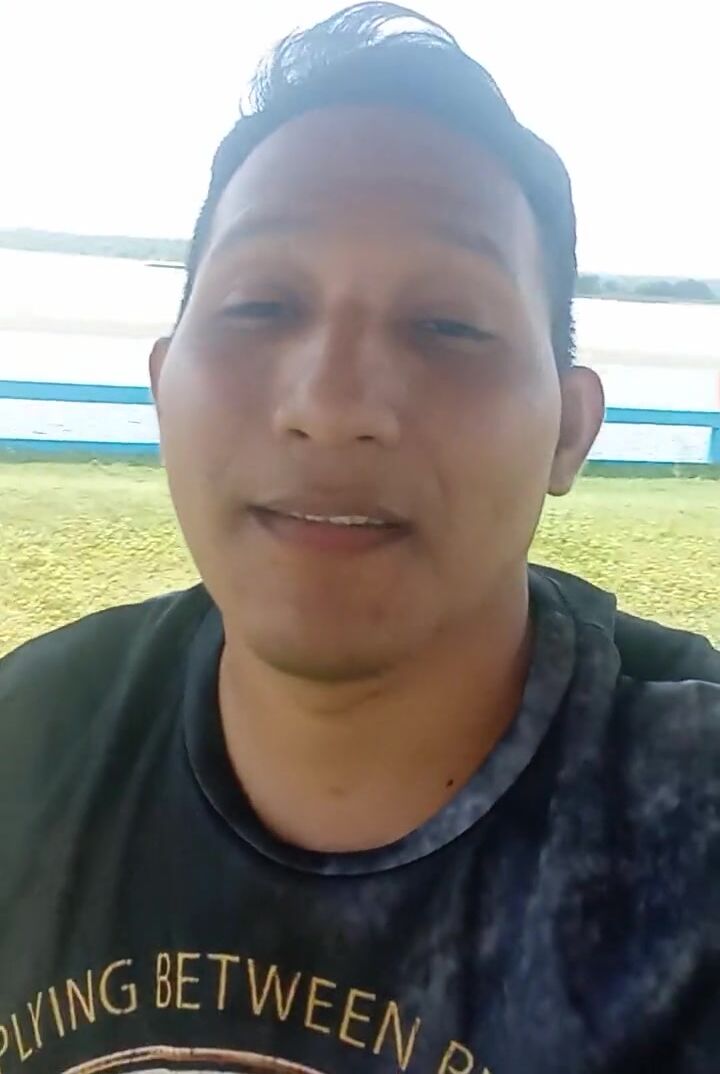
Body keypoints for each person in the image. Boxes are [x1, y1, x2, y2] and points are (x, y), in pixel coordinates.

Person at [1, 5, 718, 1073]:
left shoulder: (690, 831)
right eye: (260, 305)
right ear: (162, 387)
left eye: (448, 325)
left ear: (569, 431)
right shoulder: (28, 747)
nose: (332, 406)